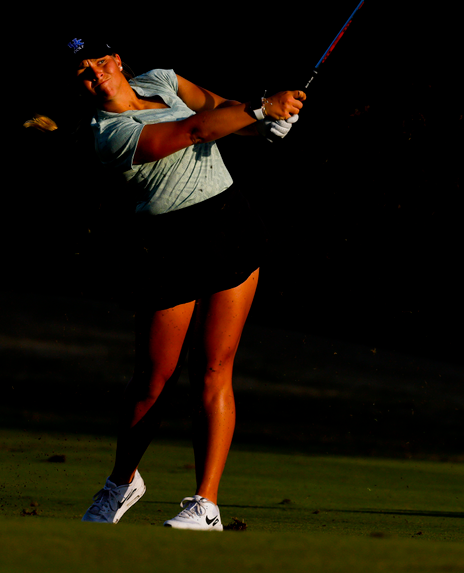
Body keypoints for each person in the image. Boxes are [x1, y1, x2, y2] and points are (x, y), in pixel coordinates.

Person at [64, 36, 306, 529]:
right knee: (153, 379)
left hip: (228, 225)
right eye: (82, 70)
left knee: (215, 367)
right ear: (77, 83)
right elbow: (195, 131)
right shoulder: (108, 133)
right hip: (168, 244)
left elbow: (221, 110)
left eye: (98, 61)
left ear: (116, 58)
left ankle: (206, 504)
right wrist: (261, 110)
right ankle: (122, 482)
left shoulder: (161, 80)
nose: (94, 73)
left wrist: (266, 125)